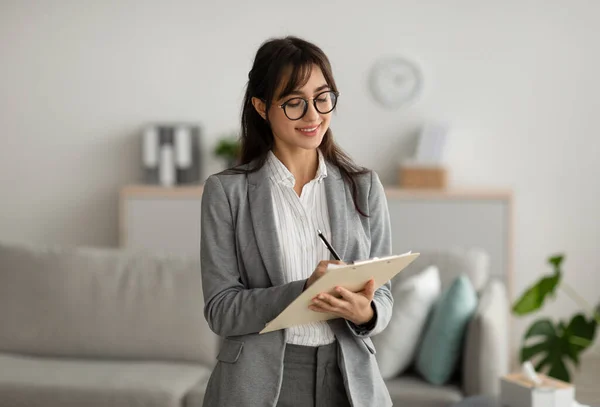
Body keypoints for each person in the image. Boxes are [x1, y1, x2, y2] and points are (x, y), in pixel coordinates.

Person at [200, 35, 394, 407]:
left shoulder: (363, 186)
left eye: (323, 98)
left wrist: (365, 312)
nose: (313, 115)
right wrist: (303, 290)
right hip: (260, 383)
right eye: (294, 103)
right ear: (261, 106)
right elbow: (221, 310)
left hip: (349, 380)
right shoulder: (227, 192)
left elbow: (382, 296)